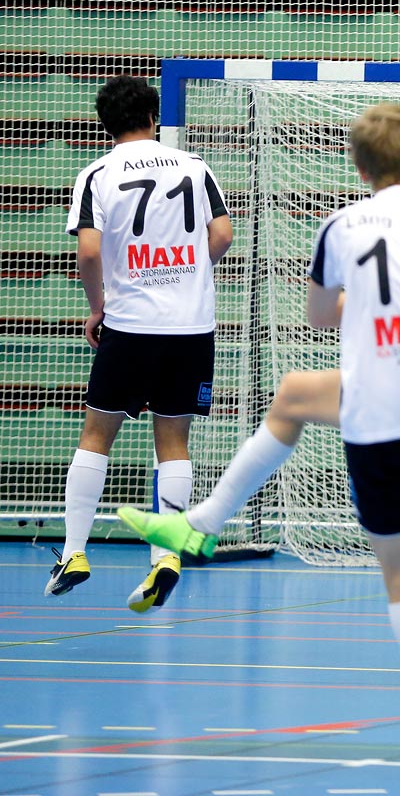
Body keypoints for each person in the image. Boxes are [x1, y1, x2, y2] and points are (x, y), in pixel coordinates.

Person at [124, 102, 400, 771]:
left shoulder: (342, 226)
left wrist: (376, 303)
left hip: (381, 417)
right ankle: (204, 523)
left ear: (357, 168)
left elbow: (323, 316)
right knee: (299, 392)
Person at [47, 74, 233, 613]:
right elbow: (221, 235)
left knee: (96, 435)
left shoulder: (97, 174)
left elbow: (87, 254)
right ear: (154, 117)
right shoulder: (194, 167)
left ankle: (76, 552)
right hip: (192, 327)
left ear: (105, 125)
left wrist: (98, 306)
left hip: (130, 326)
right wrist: (191, 274)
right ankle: (166, 556)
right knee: (173, 442)